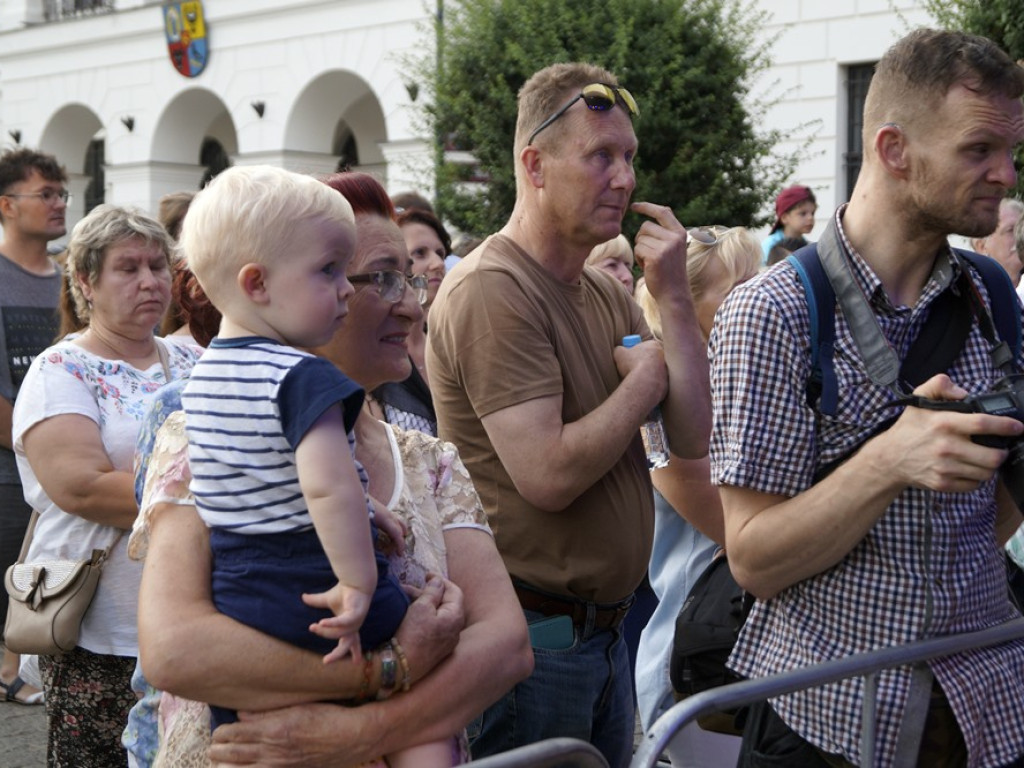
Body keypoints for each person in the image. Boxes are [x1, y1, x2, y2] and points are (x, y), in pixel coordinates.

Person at [133, 171, 531, 767]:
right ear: (267, 283)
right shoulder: (197, 433)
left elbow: (505, 647)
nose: (410, 302)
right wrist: (390, 666)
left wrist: (362, 732)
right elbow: (177, 649)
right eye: (379, 277)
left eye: (412, 278)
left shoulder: (430, 458)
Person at [711, 29, 1024, 767]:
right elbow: (752, 558)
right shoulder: (773, 312)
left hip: (987, 708)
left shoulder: (996, 302)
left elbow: (995, 508)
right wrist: (889, 463)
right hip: (830, 716)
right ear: (893, 149)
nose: (1006, 175)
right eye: (979, 149)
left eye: (1012, 152)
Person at [427, 63, 712, 766]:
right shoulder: (494, 292)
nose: (625, 179)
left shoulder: (602, 290)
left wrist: (672, 296)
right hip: (537, 644)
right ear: (536, 165)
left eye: (629, 159)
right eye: (600, 156)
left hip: (601, 638)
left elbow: (692, 435)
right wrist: (644, 385)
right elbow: (547, 475)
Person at [12, 204, 200, 767]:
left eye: (158, 266)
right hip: (104, 627)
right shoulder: (60, 371)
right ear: (87, 282)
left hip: (192, 615)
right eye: (128, 268)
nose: (150, 281)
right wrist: (218, 497)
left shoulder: (194, 359)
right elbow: (83, 489)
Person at [633, 225, 760, 768]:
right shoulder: (658, 397)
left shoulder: (744, 380)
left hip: (746, 645)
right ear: (683, 303)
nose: (764, 296)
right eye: (743, 286)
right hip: (694, 659)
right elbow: (741, 530)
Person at [0, 147, 68, 707]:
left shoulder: (70, 279)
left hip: (64, 468)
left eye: (61, 193)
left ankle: (22, 670)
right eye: (44, 194)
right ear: (6, 205)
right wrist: (43, 453)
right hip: (11, 470)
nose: (57, 203)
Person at [971, 196, 1023, 286]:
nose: (1020, 236)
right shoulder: (973, 290)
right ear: (982, 246)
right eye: (1010, 230)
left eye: (1021, 230)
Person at [760, 184, 816, 263]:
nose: (810, 218)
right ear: (784, 218)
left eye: (812, 213)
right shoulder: (769, 245)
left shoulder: (808, 246)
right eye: (803, 213)